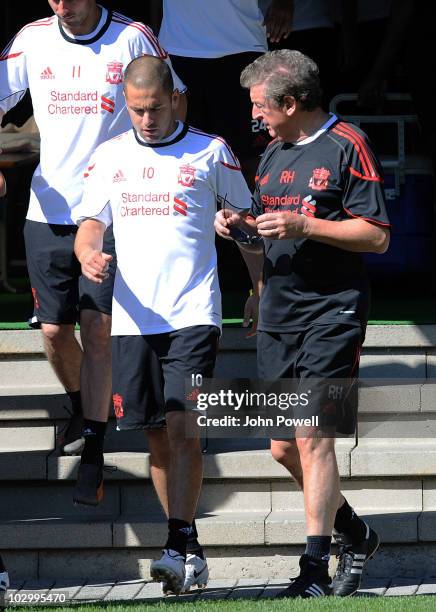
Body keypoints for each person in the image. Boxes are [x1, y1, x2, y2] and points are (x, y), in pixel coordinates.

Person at [73, 55, 253, 594]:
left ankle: (176, 542)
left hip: (193, 313)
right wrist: (87, 255)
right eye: (135, 110)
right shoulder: (110, 155)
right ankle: (187, 542)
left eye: (154, 108)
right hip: (133, 317)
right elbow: (89, 225)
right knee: (155, 434)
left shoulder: (211, 151)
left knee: (183, 426)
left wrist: (260, 290)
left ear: (176, 98)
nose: (146, 119)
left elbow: (246, 221)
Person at [215, 49, 391, 598]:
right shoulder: (270, 154)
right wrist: (241, 229)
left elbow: (377, 235)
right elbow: (273, 232)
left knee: (313, 437)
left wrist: (305, 225)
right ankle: (356, 534)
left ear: (290, 102)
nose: (256, 117)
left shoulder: (347, 144)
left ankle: (313, 570)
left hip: (332, 311)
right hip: (278, 312)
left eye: (261, 106)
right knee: (282, 447)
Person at [0, 1, 186, 478]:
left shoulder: (131, 37)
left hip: (111, 213)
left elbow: (174, 98)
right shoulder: (32, 38)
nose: (65, 6)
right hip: (48, 209)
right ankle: (84, 407)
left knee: (97, 327)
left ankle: (94, 436)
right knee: (54, 329)